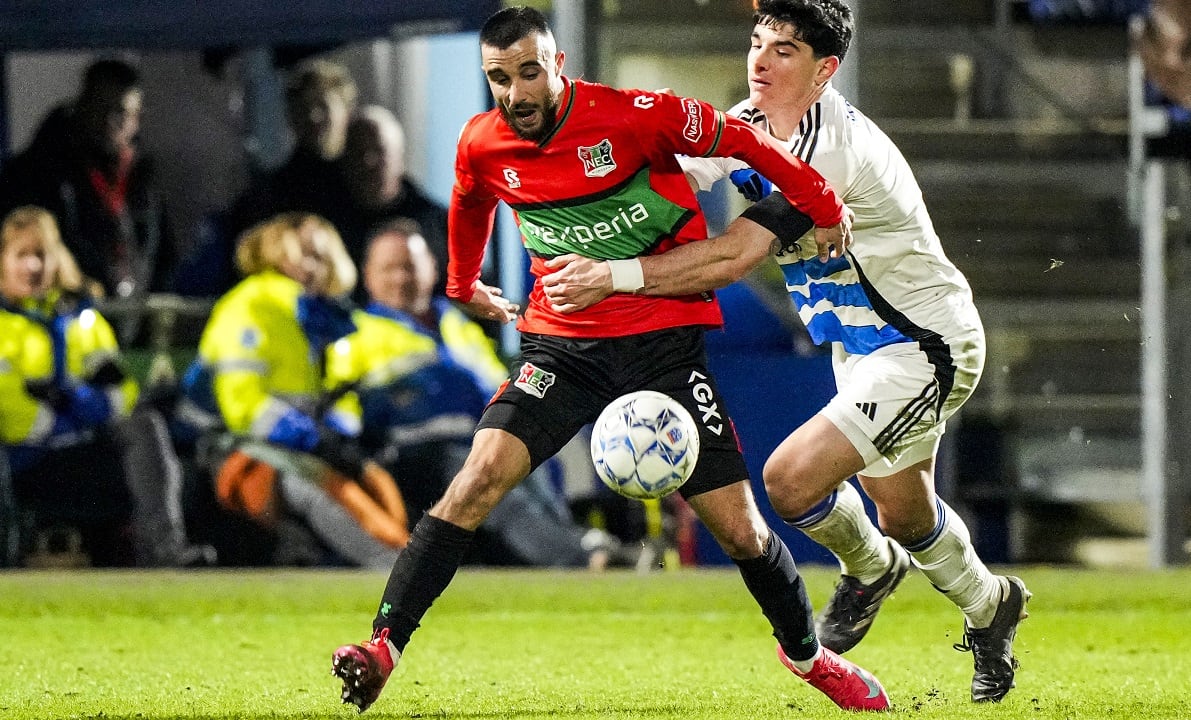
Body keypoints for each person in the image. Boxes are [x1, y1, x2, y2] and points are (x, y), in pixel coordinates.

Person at [331, 6, 889, 714]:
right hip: (561, 347)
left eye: (529, 72)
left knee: (742, 530)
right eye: (499, 79)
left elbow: (746, 144)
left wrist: (820, 202)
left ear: (557, 64)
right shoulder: (483, 142)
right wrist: (461, 284)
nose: (515, 93)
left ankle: (810, 658)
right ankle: (383, 645)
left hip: (661, 342)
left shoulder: (634, 118)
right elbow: (470, 199)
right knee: (474, 480)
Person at [540, 0, 1031, 704]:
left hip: (922, 343)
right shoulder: (747, 125)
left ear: (824, 70)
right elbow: (666, 175)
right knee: (904, 514)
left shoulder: (830, 151)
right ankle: (991, 606)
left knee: (790, 481)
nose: (760, 61)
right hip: (860, 345)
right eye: (756, 42)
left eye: (784, 50)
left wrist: (610, 277)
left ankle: (867, 570)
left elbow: (733, 255)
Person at [339, 219, 628, 569]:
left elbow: (498, 386)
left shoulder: (457, 324)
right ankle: (582, 557)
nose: (402, 278)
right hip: (415, 452)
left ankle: (577, 539)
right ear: (367, 274)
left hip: (479, 436)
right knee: (488, 477)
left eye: (410, 267)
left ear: (432, 268)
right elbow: (346, 418)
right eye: (389, 269)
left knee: (540, 449)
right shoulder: (353, 334)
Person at [180, 212, 409, 568]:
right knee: (325, 489)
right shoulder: (252, 305)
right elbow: (243, 405)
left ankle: (406, 564)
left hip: (303, 450)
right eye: (304, 254)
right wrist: (315, 439)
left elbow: (340, 398)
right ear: (274, 254)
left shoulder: (322, 317)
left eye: (322, 255)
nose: (315, 266)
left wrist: (340, 438)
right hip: (234, 452)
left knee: (378, 484)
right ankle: (400, 570)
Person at [0, 206, 212, 567]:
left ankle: (164, 549)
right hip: (22, 457)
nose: (33, 267)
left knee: (144, 426)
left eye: (41, 255)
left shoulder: (82, 320)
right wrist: (52, 420)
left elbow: (121, 387)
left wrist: (91, 404)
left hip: (79, 450)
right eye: (22, 256)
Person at [0, 59, 175, 302]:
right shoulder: (40, 170)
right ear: (83, 105)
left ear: (137, 119)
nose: (110, 122)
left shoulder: (145, 179)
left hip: (134, 316)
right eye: (101, 107)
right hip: (62, 312)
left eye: (122, 112)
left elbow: (162, 254)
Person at [325, 106, 451, 298]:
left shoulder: (437, 224)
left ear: (400, 156)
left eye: (380, 150)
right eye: (359, 151)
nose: (369, 161)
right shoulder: (326, 222)